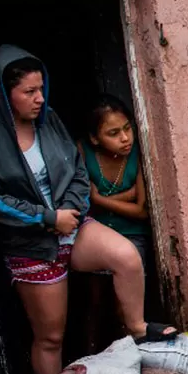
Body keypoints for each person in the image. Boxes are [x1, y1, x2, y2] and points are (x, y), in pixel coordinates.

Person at [0, 44, 176, 374]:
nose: (39, 99)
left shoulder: (50, 121)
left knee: (127, 256)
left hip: (71, 226)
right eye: (29, 92)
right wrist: (48, 219)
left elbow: (76, 169)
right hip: (30, 243)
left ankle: (136, 327)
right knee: (51, 337)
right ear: (4, 93)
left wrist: (72, 209)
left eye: (41, 89)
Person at [80, 94, 153, 272]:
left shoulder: (139, 152)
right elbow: (82, 206)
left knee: (131, 274)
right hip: (96, 233)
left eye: (127, 128)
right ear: (94, 138)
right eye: (113, 133)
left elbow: (142, 211)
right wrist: (127, 196)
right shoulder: (82, 152)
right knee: (96, 293)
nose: (125, 138)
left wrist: (99, 199)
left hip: (133, 234)